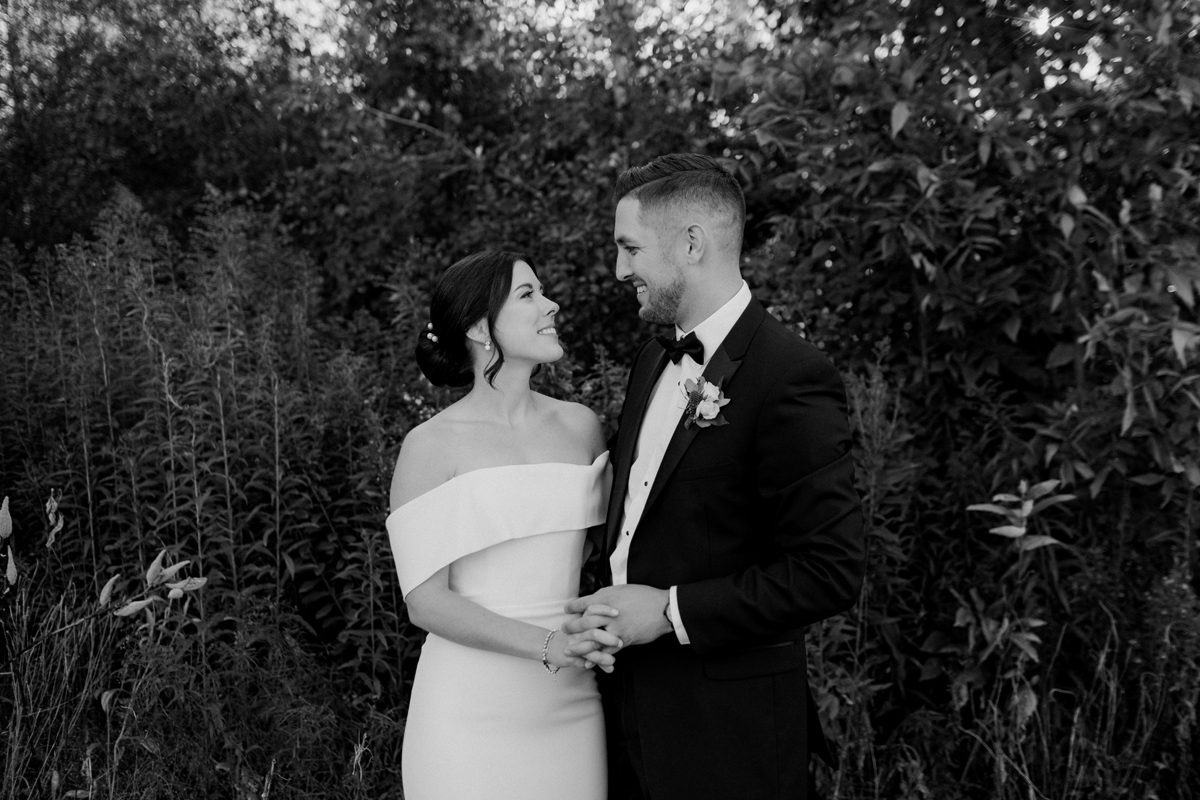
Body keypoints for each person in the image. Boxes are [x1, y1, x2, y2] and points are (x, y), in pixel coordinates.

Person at [562, 154, 866, 800]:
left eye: (630, 248)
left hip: (729, 739)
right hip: (623, 720)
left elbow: (829, 570)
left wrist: (668, 610)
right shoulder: (651, 360)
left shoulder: (790, 375)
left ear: (692, 244)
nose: (619, 270)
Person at [386, 250, 623, 800]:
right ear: (478, 328)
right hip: (466, 710)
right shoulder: (429, 446)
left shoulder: (581, 427)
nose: (551, 304)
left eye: (542, 291)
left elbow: (613, 551)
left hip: (570, 705)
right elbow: (425, 603)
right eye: (528, 294)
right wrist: (549, 644)